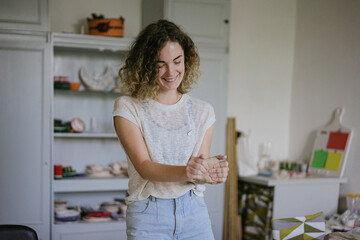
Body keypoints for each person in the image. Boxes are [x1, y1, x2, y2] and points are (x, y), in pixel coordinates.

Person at [113, 19, 229, 240]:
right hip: (149, 214)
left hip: (194, 212)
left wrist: (213, 173)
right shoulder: (128, 107)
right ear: (146, 65)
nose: (171, 71)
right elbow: (145, 167)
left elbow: (199, 168)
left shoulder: (203, 111)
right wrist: (189, 171)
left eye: (177, 61)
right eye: (160, 64)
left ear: (187, 59)